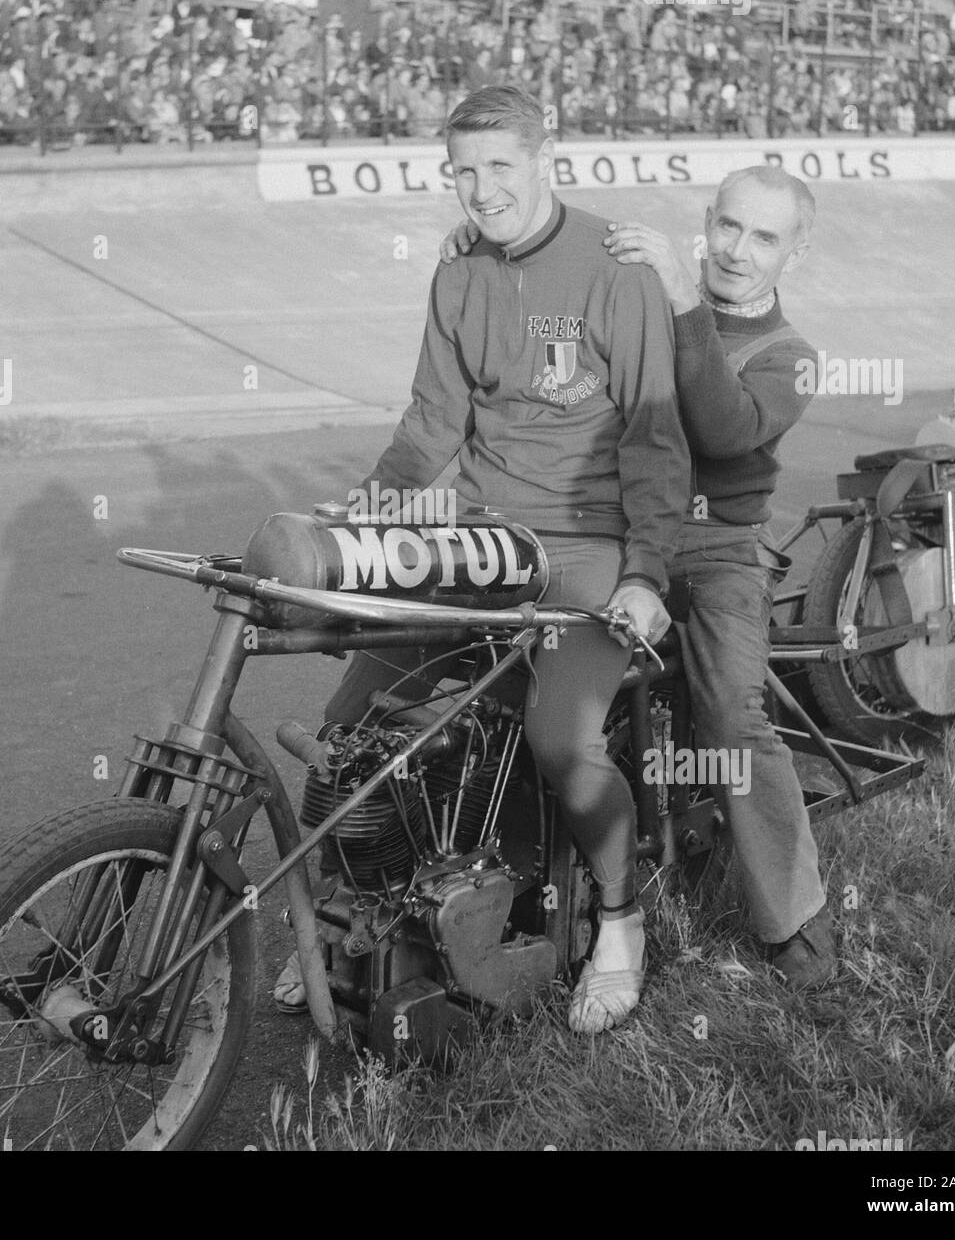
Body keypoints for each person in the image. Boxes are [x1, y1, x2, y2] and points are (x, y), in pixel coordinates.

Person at [273, 86, 692, 1033]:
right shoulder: (458, 273)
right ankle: (344, 925)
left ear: (547, 157)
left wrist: (646, 573)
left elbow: (656, 440)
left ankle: (621, 924)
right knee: (352, 724)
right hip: (481, 540)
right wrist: (363, 515)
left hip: (586, 544)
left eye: (501, 166)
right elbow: (429, 428)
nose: (481, 189)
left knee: (560, 738)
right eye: (463, 170)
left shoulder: (614, 269)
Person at [437, 166, 837, 989]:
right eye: (727, 226)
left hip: (721, 546)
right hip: (619, 527)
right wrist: (481, 251)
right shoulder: (648, 296)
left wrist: (684, 298)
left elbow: (724, 432)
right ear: (706, 220)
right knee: (496, 661)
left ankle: (792, 919)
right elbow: (549, 301)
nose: (737, 249)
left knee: (733, 712)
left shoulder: (790, 355)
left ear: (795, 252)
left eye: (764, 237)